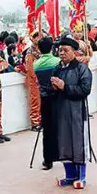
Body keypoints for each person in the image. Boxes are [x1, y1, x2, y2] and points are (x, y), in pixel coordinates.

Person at [46, 36, 93, 189]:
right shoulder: (57, 68)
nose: (62, 53)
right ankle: (70, 175)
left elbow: (85, 90)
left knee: (78, 143)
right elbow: (50, 90)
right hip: (61, 112)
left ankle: (81, 177)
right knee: (64, 143)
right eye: (60, 50)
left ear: (74, 52)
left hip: (77, 113)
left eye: (65, 50)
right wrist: (53, 88)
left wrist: (64, 87)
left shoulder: (82, 69)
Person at [33, 37, 62, 170]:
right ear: (52, 47)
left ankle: (48, 159)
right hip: (58, 98)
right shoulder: (58, 62)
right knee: (61, 128)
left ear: (39, 48)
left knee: (47, 130)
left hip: (44, 99)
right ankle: (63, 155)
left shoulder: (36, 64)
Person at [18, 32, 42, 131]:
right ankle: (35, 123)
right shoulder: (29, 52)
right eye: (36, 37)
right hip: (33, 80)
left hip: (41, 79)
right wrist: (36, 79)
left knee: (42, 101)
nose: (38, 39)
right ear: (32, 39)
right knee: (35, 102)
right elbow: (30, 68)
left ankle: (41, 121)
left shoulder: (41, 50)